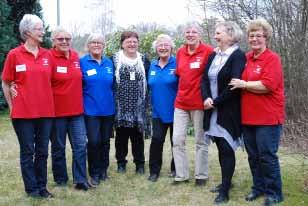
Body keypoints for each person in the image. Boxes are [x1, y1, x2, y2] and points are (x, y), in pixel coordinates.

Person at [229, 19, 285, 206]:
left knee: (267, 156)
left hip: (268, 118)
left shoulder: (272, 58)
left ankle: (274, 193)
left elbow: (268, 85)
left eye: (258, 35)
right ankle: (258, 188)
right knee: (253, 156)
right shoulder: (245, 58)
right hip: (248, 117)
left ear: (266, 37)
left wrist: (244, 84)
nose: (254, 39)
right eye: (251, 35)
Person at [1, 14, 54, 198]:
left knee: (42, 151)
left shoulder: (48, 55)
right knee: (27, 151)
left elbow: (58, 81)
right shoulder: (14, 55)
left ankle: (42, 187)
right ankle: (31, 190)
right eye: (39, 28)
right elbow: (6, 82)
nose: (43, 32)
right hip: (23, 113)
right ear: (28, 32)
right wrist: (11, 105)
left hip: (46, 112)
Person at [201, 21, 246, 203]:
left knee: (227, 147)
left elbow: (234, 84)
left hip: (227, 110)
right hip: (211, 109)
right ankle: (225, 182)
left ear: (230, 35)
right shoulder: (213, 55)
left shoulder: (237, 56)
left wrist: (215, 102)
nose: (215, 35)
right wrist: (206, 99)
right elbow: (204, 79)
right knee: (220, 146)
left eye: (218, 33)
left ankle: (225, 190)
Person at [172, 22, 213, 185]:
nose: (190, 34)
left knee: (200, 140)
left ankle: (201, 175)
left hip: (200, 104)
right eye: (187, 32)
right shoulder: (181, 52)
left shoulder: (209, 51)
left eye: (194, 32)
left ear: (200, 35)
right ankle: (181, 175)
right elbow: (178, 74)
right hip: (181, 103)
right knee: (177, 140)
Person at [49, 27, 89, 191]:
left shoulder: (75, 56)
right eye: (60, 39)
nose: (64, 41)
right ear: (54, 41)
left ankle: (80, 180)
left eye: (67, 38)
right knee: (58, 148)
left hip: (77, 112)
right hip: (57, 112)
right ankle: (60, 179)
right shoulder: (48, 57)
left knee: (80, 146)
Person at [112, 31, 150, 174]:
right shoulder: (115, 59)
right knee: (121, 137)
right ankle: (121, 163)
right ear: (122, 44)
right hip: (121, 106)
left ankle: (139, 164)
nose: (132, 44)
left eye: (134, 41)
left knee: (137, 138)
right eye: (128, 41)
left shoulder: (144, 59)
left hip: (138, 107)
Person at [80, 33, 115, 186]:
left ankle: (103, 170)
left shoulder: (109, 63)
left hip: (108, 110)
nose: (96, 45)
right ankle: (94, 173)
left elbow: (113, 85)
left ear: (103, 45)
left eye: (99, 42)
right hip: (90, 111)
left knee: (105, 141)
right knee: (94, 142)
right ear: (88, 45)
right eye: (93, 42)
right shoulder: (82, 62)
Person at [147, 34, 178, 182]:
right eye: (160, 45)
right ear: (156, 49)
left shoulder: (178, 63)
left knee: (176, 142)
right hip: (158, 112)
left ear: (171, 47)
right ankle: (154, 171)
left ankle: (176, 169)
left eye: (166, 45)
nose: (163, 48)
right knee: (157, 141)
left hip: (177, 111)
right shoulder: (152, 65)